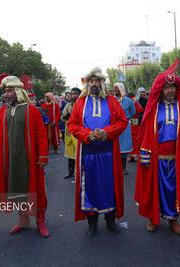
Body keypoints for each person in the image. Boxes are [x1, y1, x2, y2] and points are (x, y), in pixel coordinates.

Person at [135, 60, 180, 235]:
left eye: (173, 87)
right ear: (160, 90)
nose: (170, 90)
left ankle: (173, 220)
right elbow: (146, 132)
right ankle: (152, 219)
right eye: (166, 87)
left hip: (176, 158)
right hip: (156, 157)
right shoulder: (153, 108)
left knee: (173, 191)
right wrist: (145, 154)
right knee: (153, 190)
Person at [67, 67, 128, 237]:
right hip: (88, 154)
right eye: (91, 81)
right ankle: (92, 223)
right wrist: (88, 134)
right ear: (88, 83)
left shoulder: (112, 101)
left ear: (102, 82)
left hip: (109, 154)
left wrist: (106, 132)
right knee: (90, 188)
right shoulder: (80, 102)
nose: (94, 84)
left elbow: (123, 122)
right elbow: (72, 125)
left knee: (110, 187)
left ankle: (110, 220)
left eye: (97, 81)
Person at [0, 76, 50, 237]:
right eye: (4, 91)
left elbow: (41, 134)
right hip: (9, 161)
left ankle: (40, 221)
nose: (6, 95)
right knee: (15, 191)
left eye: (9, 91)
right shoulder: (2, 112)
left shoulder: (32, 110)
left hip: (30, 161)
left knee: (37, 191)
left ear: (18, 91)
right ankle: (23, 220)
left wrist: (43, 155)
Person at [113, 82, 135, 175]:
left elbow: (133, 112)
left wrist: (126, 117)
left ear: (121, 89)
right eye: (114, 89)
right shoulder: (111, 100)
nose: (115, 90)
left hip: (125, 127)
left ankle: (123, 168)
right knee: (114, 146)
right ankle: (114, 167)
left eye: (117, 89)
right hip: (113, 126)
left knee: (124, 147)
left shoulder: (128, 101)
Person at [61, 87, 81, 179]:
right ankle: (70, 172)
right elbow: (63, 118)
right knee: (70, 154)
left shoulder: (83, 105)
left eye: (76, 94)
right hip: (69, 133)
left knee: (79, 153)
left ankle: (80, 172)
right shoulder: (68, 105)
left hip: (79, 133)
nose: (73, 95)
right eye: (72, 94)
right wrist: (69, 114)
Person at [127, 92, 144, 162]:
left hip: (128, 124)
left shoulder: (126, 101)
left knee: (129, 141)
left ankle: (131, 156)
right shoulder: (135, 101)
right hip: (135, 124)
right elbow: (141, 110)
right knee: (135, 140)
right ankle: (134, 155)